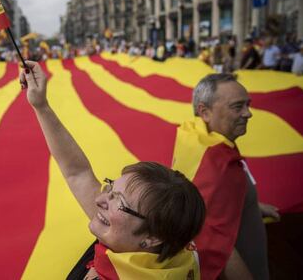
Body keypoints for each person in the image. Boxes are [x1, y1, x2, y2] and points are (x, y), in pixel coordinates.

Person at [20, 61, 206, 280]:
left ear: (153, 236)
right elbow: (77, 172)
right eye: (110, 188)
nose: (100, 200)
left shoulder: (123, 240)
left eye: (118, 200)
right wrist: (41, 106)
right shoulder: (155, 247)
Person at [172, 74, 280, 280]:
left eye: (248, 105)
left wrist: (251, 204)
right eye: (237, 107)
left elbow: (218, 200)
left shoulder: (199, 137)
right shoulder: (215, 166)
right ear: (204, 112)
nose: (248, 114)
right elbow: (213, 240)